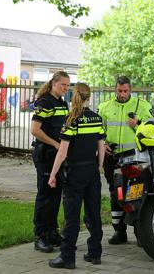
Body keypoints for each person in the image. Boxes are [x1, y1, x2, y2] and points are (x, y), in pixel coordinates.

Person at [47, 83, 105, 269]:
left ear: (75, 96)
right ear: (89, 97)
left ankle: (67, 257)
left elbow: (63, 152)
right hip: (92, 172)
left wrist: (53, 174)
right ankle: (95, 253)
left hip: (74, 173)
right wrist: (100, 166)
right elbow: (101, 146)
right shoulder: (97, 118)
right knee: (93, 213)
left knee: (72, 217)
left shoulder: (71, 120)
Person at [97, 76, 153, 245]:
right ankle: (119, 232)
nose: (122, 94)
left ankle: (140, 234)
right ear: (115, 89)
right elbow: (99, 130)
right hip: (112, 157)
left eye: (125, 91)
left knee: (137, 193)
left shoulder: (141, 106)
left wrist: (138, 123)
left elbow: (152, 128)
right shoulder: (105, 107)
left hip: (135, 157)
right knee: (116, 193)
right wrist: (103, 143)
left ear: (130, 90)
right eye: (119, 90)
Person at [31, 70, 70, 253]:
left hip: (58, 155)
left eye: (68, 86)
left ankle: (52, 232)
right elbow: (35, 130)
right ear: (54, 83)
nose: (65, 88)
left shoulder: (61, 102)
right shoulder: (45, 102)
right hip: (45, 154)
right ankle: (40, 236)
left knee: (55, 195)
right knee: (45, 194)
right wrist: (55, 144)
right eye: (63, 85)